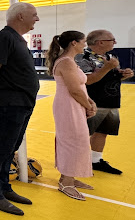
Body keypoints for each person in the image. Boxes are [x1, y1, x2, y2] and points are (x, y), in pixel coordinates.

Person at [0, 2, 40, 216]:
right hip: (9, 104)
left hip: (21, 104)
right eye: (34, 15)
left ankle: (3, 188)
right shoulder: (3, 38)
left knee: (9, 149)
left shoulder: (17, 40)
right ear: (20, 16)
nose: (37, 19)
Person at [46, 31, 96, 200]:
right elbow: (74, 90)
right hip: (69, 105)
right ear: (74, 43)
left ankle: (69, 177)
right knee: (73, 140)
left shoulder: (70, 62)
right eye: (84, 42)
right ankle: (66, 182)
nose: (85, 45)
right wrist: (88, 105)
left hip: (74, 104)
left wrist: (90, 101)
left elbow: (80, 86)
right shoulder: (66, 62)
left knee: (76, 139)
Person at [75, 30, 134, 175]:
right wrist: (108, 67)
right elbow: (88, 80)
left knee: (103, 132)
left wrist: (123, 75)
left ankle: (96, 160)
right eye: (112, 39)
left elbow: (108, 78)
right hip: (93, 102)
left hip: (111, 101)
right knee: (83, 133)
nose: (115, 42)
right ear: (100, 42)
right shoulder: (83, 57)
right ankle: (75, 163)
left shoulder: (109, 56)